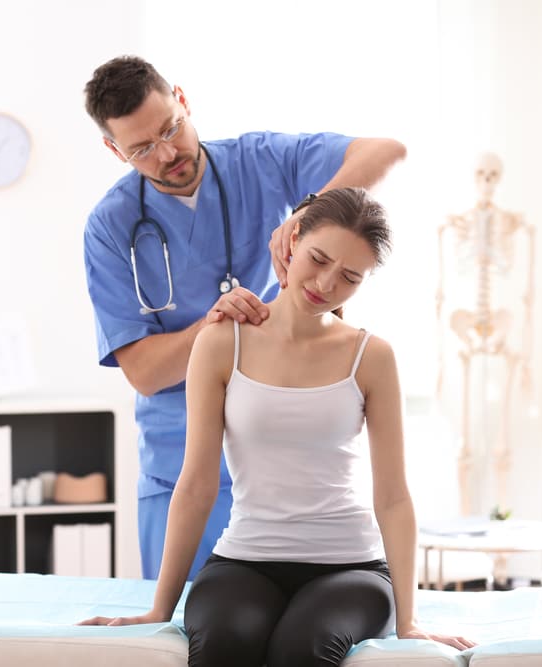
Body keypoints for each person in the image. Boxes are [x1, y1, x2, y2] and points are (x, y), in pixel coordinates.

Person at [81, 188, 474, 666]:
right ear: (292, 242)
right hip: (244, 561)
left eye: (349, 277)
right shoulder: (222, 343)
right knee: (224, 641)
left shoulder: (371, 357)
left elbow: (392, 496)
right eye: (319, 259)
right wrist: (157, 610)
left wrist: (409, 623)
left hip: (351, 569)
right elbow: (197, 484)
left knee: (302, 649)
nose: (326, 284)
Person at [82, 55, 407, 580]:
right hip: (179, 469)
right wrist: (213, 328)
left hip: (280, 471)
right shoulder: (111, 226)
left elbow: (388, 152)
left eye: (171, 128)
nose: (168, 153)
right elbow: (143, 373)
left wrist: (312, 209)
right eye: (142, 148)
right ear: (113, 150)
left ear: (183, 100)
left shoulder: (258, 162)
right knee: (179, 641)